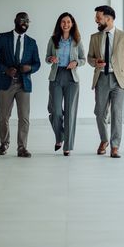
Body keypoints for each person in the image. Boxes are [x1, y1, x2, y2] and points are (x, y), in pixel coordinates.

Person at [0, 12, 41, 158]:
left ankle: (22, 148)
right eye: (22, 20)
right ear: (15, 21)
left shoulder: (31, 42)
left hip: (24, 84)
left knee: (24, 117)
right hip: (6, 83)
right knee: (4, 116)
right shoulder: (3, 38)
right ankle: (4, 143)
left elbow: (37, 64)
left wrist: (30, 68)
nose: (25, 23)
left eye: (28, 21)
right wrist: (4, 70)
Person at [87, 5, 124, 158]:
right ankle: (104, 139)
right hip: (101, 78)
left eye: (98, 17)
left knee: (117, 113)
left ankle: (115, 146)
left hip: (119, 80)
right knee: (100, 112)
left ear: (108, 19)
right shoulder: (94, 37)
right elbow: (89, 58)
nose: (96, 20)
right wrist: (96, 62)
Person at [46, 12, 86, 156]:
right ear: (59, 24)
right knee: (55, 111)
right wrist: (51, 59)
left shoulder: (77, 40)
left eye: (68, 22)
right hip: (56, 77)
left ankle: (67, 146)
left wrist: (76, 62)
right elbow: (46, 58)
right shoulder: (53, 40)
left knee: (70, 113)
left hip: (71, 78)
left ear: (72, 24)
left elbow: (83, 59)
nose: (66, 24)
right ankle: (60, 136)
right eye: (63, 22)